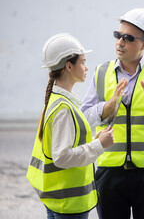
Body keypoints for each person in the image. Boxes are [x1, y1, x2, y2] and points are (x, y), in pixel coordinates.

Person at [81, 8, 144, 219]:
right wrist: (107, 107)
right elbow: (84, 117)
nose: (120, 42)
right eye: (118, 35)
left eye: (128, 38)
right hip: (109, 172)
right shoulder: (101, 72)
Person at [26, 33, 118, 219]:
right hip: (69, 204)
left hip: (56, 198)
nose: (86, 67)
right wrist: (99, 144)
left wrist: (94, 140)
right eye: (83, 62)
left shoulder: (55, 100)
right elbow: (62, 157)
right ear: (69, 66)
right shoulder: (63, 109)